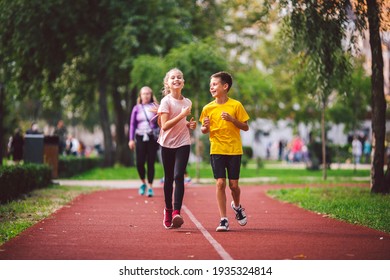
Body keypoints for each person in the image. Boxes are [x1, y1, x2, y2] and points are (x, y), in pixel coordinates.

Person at [199, 71, 250, 232]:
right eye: (210, 85)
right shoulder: (208, 108)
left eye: (214, 84)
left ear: (225, 86)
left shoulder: (236, 105)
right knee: (220, 183)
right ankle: (223, 219)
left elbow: (246, 126)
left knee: (233, 186)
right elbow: (203, 130)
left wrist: (232, 120)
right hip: (217, 149)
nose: (211, 87)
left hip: (234, 149)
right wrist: (205, 126)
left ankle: (237, 206)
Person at [157, 68, 197, 229]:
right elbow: (165, 126)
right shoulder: (166, 101)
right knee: (168, 178)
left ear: (183, 83)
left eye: (179, 77)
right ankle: (168, 210)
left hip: (183, 142)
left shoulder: (187, 102)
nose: (176, 79)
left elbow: (182, 122)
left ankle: (176, 213)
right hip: (166, 144)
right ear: (168, 83)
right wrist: (182, 116)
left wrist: (189, 124)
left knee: (179, 175)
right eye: (173, 78)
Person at [128, 86, 160, 197]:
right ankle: (143, 183)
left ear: (151, 95)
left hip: (152, 137)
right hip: (140, 137)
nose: (145, 95)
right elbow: (132, 125)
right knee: (140, 162)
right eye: (143, 94)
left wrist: (158, 114)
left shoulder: (156, 107)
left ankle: (150, 186)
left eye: (148, 93)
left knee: (151, 162)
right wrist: (131, 139)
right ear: (140, 96)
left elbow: (160, 122)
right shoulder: (136, 108)